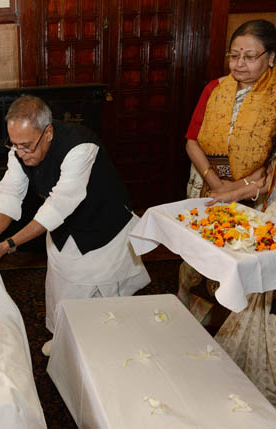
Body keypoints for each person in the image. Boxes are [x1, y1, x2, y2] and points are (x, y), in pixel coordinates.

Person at [0, 95, 150, 341]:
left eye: (27, 146)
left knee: (104, 316)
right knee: (63, 299)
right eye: (15, 145)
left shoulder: (80, 146)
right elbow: (10, 193)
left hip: (104, 236)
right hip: (63, 235)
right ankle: (66, 346)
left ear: (47, 133)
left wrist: (7, 245)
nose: (21, 153)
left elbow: (58, 205)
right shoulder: (19, 149)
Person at [183, 19, 276, 406]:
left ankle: (229, 341)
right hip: (207, 186)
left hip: (257, 196)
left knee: (237, 264)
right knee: (199, 262)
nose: (239, 64)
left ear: (270, 58)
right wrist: (214, 182)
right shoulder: (215, 89)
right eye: (234, 55)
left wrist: (240, 189)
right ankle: (192, 333)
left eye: (250, 56)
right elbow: (191, 138)